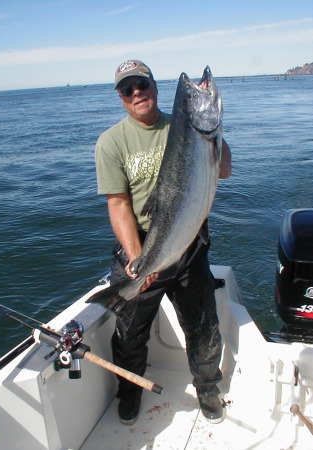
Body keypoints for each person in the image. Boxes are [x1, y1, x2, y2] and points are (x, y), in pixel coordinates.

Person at [95, 60, 231, 426]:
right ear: (121, 98)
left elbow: (224, 169)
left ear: (155, 86)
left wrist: (214, 133)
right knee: (130, 333)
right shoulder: (111, 143)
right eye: (128, 89)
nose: (137, 92)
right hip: (140, 249)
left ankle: (208, 389)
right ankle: (129, 391)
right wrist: (139, 260)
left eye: (143, 84)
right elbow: (119, 204)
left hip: (188, 248)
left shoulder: (183, 126)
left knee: (203, 325)